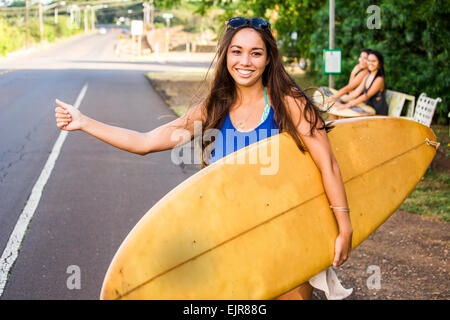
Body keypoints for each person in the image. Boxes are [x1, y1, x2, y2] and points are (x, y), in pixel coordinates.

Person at [54, 17, 353, 300]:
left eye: (255, 53)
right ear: (226, 56)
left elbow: (328, 165)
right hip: (229, 236)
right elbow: (145, 142)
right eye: (237, 52)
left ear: (268, 59)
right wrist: (83, 122)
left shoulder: (288, 103)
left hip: (287, 231)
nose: (245, 61)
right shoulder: (214, 108)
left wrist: (344, 227)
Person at [333, 50, 389, 116]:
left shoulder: (379, 79)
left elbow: (365, 96)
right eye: (369, 60)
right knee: (338, 111)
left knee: (344, 113)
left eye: (373, 61)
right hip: (367, 108)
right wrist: (342, 101)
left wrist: (346, 105)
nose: (370, 63)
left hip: (377, 112)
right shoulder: (368, 76)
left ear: (379, 63)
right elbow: (356, 92)